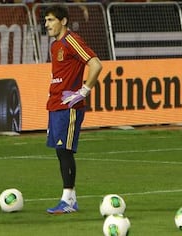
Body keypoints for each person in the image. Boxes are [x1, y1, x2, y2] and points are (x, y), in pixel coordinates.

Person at [43, 4, 102, 214]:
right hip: (55, 104)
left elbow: (95, 64)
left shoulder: (72, 41)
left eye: (51, 20)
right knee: (61, 152)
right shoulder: (55, 45)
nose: (46, 24)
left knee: (64, 150)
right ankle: (70, 199)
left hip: (69, 105)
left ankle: (68, 200)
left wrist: (83, 92)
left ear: (63, 21)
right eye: (46, 20)